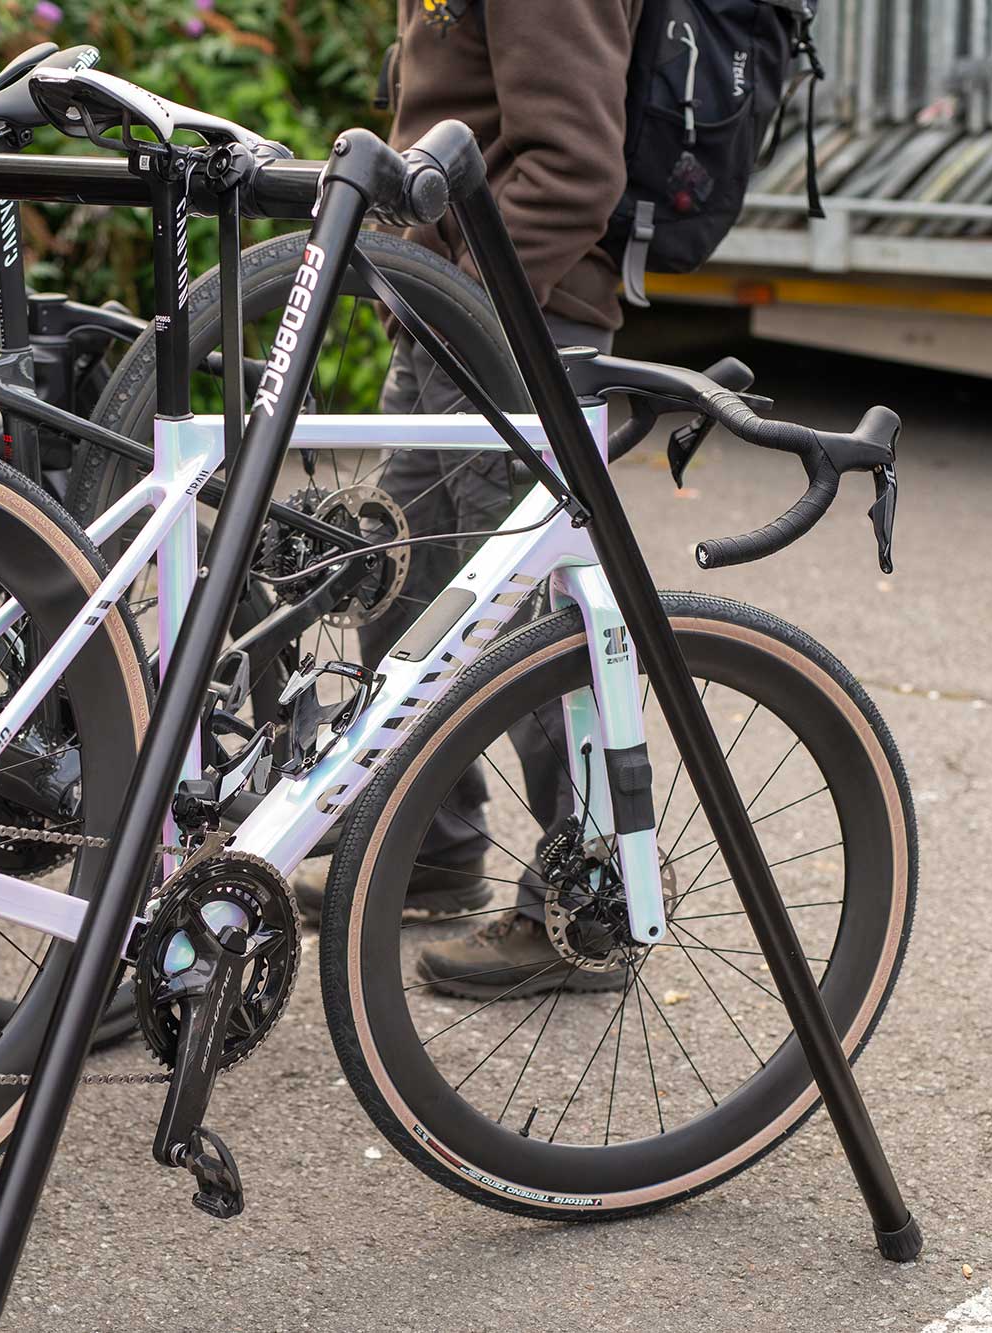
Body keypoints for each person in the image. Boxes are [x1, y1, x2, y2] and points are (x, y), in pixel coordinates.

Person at [296, 0, 643, 1002]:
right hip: (454, 309)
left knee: (524, 623)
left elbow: (574, 164)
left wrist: (455, 299)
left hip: (519, 319)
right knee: (402, 578)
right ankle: (435, 846)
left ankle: (585, 911)